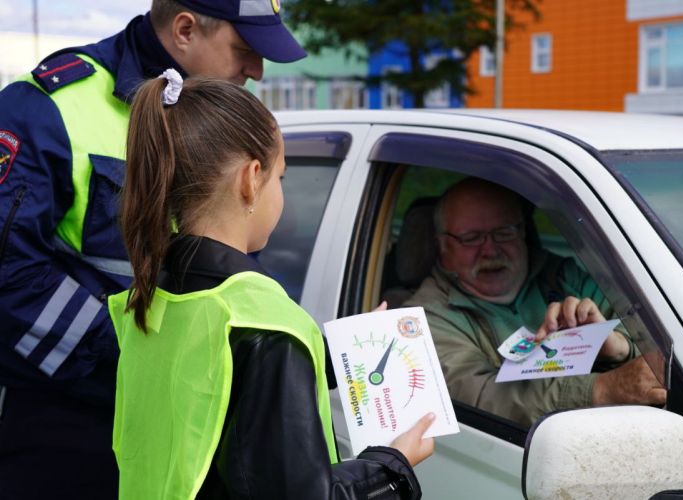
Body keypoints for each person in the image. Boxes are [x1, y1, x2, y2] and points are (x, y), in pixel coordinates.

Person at [0, 0, 307, 497]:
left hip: (188, 420)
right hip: (72, 434)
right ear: (185, 29)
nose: (258, 69)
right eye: (245, 49)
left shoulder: (221, 123)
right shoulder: (50, 108)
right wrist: (143, 361)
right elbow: (8, 276)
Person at [110, 74, 435, 499]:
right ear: (251, 178)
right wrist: (392, 466)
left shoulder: (152, 295)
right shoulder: (268, 328)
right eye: (282, 177)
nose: (281, 191)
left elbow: (219, 393)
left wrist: (331, 354)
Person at [404, 178, 667, 425]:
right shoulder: (419, 321)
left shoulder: (566, 277)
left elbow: (660, 343)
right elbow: (483, 399)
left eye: (503, 232)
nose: (490, 250)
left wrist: (616, 347)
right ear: (443, 246)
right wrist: (603, 390)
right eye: (471, 238)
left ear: (523, 232)